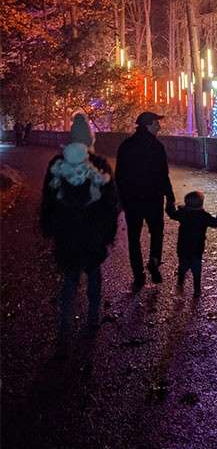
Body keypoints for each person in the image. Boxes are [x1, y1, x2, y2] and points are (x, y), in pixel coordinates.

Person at [40, 113, 119, 356]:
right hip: (92, 233)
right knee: (94, 276)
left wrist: (49, 228)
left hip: (67, 233)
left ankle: (64, 327)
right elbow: (110, 203)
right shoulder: (100, 165)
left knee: (69, 279)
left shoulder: (57, 164)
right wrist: (109, 233)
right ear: (90, 139)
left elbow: (48, 200)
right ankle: (92, 319)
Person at [115, 112, 175, 288]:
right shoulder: (157, 147)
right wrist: (170, 197)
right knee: (156, 232)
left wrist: (121, 198)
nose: (159, 126)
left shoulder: (126, 146)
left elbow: (119, 175)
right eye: (156, 123)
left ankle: (138, 275)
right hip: (153, 199)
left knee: (133, 238)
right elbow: (163, 175)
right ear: (148, 125)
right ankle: (154, 260)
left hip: (132, 200)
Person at [167, 191, 217, 297]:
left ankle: (180, 282)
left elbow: (171, 214)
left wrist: (170, 203)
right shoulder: (203, 216)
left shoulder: (183, 214)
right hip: (197, 248)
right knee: (196, 269)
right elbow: (216, 223)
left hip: (183, 246)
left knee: (183, 265)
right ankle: (197, 290)